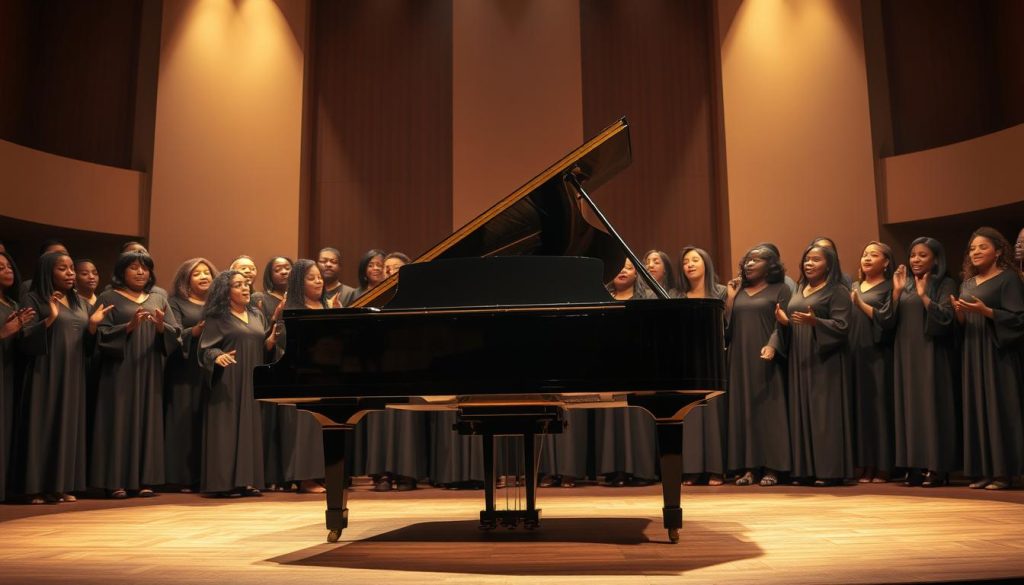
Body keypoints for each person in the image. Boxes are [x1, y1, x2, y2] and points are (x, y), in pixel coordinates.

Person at [18, 252, 110, 503]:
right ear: (48, 272)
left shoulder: (79, 302)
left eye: (71, 268)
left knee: (68, 425)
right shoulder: (34, 298)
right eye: (63, 269)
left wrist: (93, 326)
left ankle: (60, 485)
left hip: (73, 372)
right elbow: (23, 338)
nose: (70, 273)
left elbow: (88, 346)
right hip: (45, 370)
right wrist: (51, 317)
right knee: (43, 424)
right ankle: (35, 487)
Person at [91, 251, 181, 498]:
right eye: (133, 267)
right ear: (121, 272)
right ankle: (115, 481)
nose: (141, 272)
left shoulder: (158, 298)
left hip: (149, 369)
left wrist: (162, 327)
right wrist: (128, 327)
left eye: (145, 268)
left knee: (147, 420)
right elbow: (99, 334)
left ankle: (144, 479)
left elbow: (175, 333)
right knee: (119, 420)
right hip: (119, 369)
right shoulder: (109, 297)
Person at [881, 237, 960, 487]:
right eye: (913, 254)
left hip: (931, 352)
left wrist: (925, 296)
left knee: (931, 407)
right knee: (909, 407)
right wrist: (896, 293)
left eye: (922, 255)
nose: (915, 259)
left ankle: (937, 467)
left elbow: (947, 319)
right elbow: (886, 321)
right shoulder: (904, 284)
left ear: (936, 259)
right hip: (905, 353)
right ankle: (913, 464)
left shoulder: (946, 283)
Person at [952, 227, 1024, 490]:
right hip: (973, 352)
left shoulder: (1008, 279)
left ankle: (1004, 472)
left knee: (999, 409)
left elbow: (1018, 318)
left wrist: (988, 312)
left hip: (997, 353)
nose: (976, 252)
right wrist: (959, 312)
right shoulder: (967, 283)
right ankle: (983, 470)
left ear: (999, 251)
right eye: (972, 248)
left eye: (982, 247)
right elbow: (962, 323)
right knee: (978, 408)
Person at [775, 244, 853, 486]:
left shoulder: (837, 291)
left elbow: (842, 326)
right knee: (802, 411)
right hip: (800, 357)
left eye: (816, 259)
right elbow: (798, 322)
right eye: (807, 259)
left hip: (824, 359)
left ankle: (829, 471)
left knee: (823, 415)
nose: (809, 263)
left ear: (829, 265)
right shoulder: (801, 288)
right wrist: (786, 323)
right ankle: (805, 470)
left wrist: (816, 322)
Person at [199, 270, 280, 496]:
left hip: (252, 377)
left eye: (246, 284)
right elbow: (206, 349)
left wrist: (270, 342)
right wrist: (217, 356)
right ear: (226, 292)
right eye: (238, 285)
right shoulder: (217, 317)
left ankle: (247, 481)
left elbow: (260, 345)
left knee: (249, 428)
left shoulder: (256, 314)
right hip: (228, 379)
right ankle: (223, 483)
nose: (245, 288)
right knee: (226, 430)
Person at [725, 245, 792, 486]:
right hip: (740, 359)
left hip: (766, 356)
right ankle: (749, 468)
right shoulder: (739, 291)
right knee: (745, 410)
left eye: (756, 260)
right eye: (747, 260)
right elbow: (728, 328)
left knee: (769, 412)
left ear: (770, 265)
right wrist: (731, 299)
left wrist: (773, 345)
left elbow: (781, 323)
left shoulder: (781, 289)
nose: (749, 264)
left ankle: (773, 468)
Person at [596, 258, 657, 486]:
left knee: (637, 417)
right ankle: (616, 470)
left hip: (638, 363)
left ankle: (641, 471)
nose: (623, 270)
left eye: (629, 267)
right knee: (612, 417)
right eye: (620, 267)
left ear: (637, 273)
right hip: (609, 364)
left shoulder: (647, 298)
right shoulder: (601, 297)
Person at [272, 260, 327, 493]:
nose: (318, 281)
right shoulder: (291, 307)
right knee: (304, 425)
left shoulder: (325, 305)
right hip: (301, 372)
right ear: (299, 282)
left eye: (319, 277)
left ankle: (319, 473)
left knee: (321, 423)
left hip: (323, 371)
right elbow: (283, 340)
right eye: (311, 278)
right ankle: (304, 478)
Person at [164, 258, 218, 492]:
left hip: (210, 369)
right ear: (185, 280)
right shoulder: (176, 303)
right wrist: (194, 332)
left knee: (206, 423)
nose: (204, 276)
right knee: (184, 423)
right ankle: (181, 477)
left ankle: (205, 476)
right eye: (197, 274)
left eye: (207, 272)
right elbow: (173, 334)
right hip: (185, 370)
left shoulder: (217, 304)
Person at [678, 246, 727, 486]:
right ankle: (693, 469)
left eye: (695, 260)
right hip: (687, 362)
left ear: (706, 263)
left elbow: (730, 327)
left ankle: (717, 469)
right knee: (692, 415)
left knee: (714, 417)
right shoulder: (677, 296)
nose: (689, 264)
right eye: (686, 261)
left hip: (714, 360)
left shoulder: (723, 293)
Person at [849, 242, 896, 483]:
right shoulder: (854, 286)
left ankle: (884, 465)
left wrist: (860, 304)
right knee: (861, 409)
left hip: (877, 353)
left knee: (878, 409)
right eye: (865, 254)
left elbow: (888, 321)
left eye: (874, 255)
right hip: (855, 352)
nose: (867, 258)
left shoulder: (890, 287)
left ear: (886, 262)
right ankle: (866, 464)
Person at [1, 252, 34, 503]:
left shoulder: (12, 304)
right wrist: (4, 332)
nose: (8, 270)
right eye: (0, 267)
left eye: (8, 265)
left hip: (11, 374)